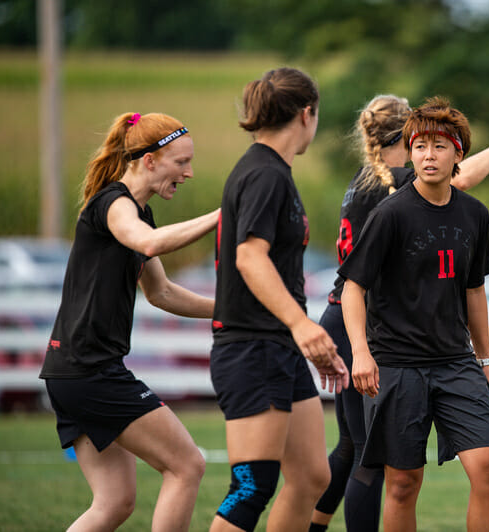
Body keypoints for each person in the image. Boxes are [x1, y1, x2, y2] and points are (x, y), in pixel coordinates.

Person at [309, 94, 489, 532]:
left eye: (439, 146)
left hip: (455, 362)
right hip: (397, 364)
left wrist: (484, 359)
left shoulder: (475, 215)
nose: (429, 155)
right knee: (402, 482)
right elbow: (353, 288)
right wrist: (362, 354)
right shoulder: (390, 212)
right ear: (408, 150)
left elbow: (475, 290)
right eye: (420, 146)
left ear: (457, 153)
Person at [39, 112, 219, 531]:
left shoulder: (137, 213)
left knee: (115, 502)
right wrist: (221, 216)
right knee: (187, 465)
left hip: (71, 374)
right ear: (150, 161)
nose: (189, 173)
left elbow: (162, 293)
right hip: (90, 371)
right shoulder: (115, 203)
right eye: (181, 162)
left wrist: (230, 308)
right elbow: (148, 243)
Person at [209, 67, 348, 532]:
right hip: (252, 347)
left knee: (312, 476)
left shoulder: (274, 173)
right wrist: (303, 325)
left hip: (279, 349)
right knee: (251, 488)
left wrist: (303, 339)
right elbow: (250, 258)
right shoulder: (264, 174)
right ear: (307, 114)